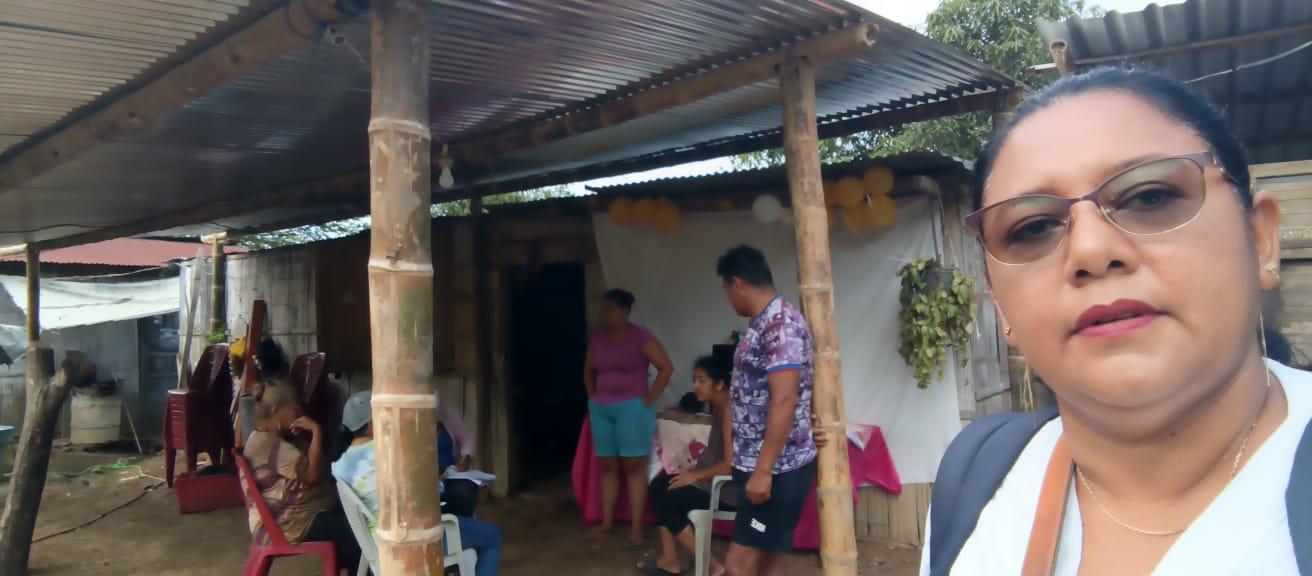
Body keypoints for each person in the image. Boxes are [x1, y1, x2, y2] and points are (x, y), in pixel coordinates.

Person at [922, 67, 1312, 575]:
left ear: (1260, 241)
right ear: (999, 304)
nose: (1091, 250)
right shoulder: (978, 485)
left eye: (1148, 196)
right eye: (1033, 227)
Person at [715, 245, 817, 576]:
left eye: (726, 289)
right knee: (768, 560)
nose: (729, 299)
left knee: (739, 565)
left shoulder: (779, 324)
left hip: (776, 469)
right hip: (766, 465)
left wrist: (763, 470)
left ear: (736, 282)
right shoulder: (764, 322)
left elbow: (784, 398)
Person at [332, 391, 503, 576]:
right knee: (492, 537)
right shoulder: (392, 451)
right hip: (413, 542)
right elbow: (431, 492)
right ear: (372, 424)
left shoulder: (339, 465)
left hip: (379, 544)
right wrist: (439, 481)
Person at [583, 288, 675, 547]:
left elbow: (666, 368)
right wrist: (592, 398)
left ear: (625, 311)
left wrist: (648, 399)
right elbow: (588, 371)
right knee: (608, 467)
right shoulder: (598, 340)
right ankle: (607, 523)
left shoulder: (641, 337)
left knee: (634, 466)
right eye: (605, 310)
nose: (606, 315)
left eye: (612, 309)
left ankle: (637, 529)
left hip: (633, 409)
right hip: (602, 410)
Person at [243, 378, 359, 575]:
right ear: (276, 411)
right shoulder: (271, 446)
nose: (299, 412)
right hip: (292, 523)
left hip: (287, 517)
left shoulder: (266, 438)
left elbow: (315, 465)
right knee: (359, 529)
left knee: (349, 526)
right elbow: (312, 474)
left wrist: (300, 439)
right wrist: (316, 431)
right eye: (294, 408)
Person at [636, 355, 738, 576]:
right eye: (694, 380)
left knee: (669, 500)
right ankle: (670, 560)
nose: (695, 386)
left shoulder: (729, 411)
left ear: (719, 384)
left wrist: (696, 476)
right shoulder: (719, 407)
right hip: (711, 481)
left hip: (727, 491)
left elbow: (730, 466)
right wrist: (697, 471)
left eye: (702, 380)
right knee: (659, 486)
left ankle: (713, 566)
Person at [437, 401, 481, 517]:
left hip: (450, 472)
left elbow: (467, 438)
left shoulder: (447, 413)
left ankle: (459, 525)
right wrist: (438, 483)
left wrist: (466, 456)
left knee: (465, 493)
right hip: (420, 477)